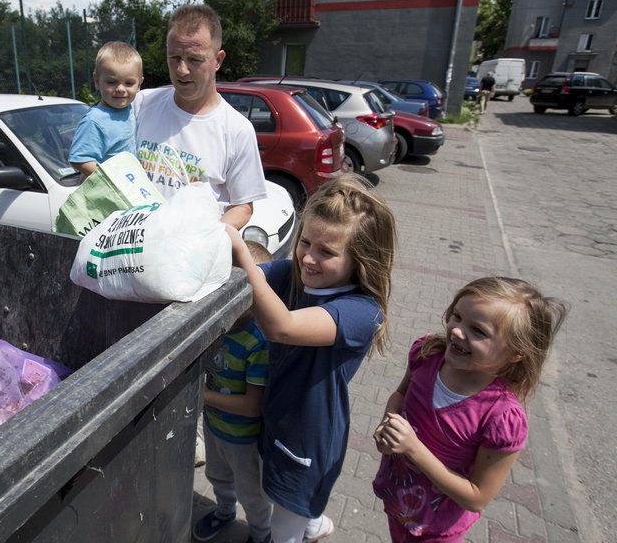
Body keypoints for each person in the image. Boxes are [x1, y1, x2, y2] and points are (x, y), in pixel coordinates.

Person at [226, 173, 397, 543]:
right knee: (285, 499)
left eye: (327, 251)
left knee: (284, 525)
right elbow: (247, 277)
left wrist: (241, 248)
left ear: (362, 259)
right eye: (305, 242)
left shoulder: (361, 311)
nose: (308, 257)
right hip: (276, 419)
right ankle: (316, 523)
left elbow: (282, 327)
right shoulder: (294, 276)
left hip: (308, 440)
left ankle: (308, 524)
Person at [372, 277, 568, 543]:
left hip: (437, 527)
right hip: (398, 500)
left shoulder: (501, 417)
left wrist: (413, 448)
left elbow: (477, 497)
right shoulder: (427, 354)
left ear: (516, 353)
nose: (456, 331)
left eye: (478, 330)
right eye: (457, 316)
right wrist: (388, 427)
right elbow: (400, 396)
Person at [133, 4, 267, 229]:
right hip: (133, 254)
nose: (182, 70)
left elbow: (243, 206)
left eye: (194, 59)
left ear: (218, 60)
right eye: (174, 57)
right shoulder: (142, 104)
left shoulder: (236, 129)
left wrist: (204, 241)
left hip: (190, 260)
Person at [194, 241, 274, 543]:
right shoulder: (219, 324)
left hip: (244, 439)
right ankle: (225, 511)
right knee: (218, 477)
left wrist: (200, 396)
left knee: (252, 495)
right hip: (215, 426)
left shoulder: (259, 342)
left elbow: (252, 407)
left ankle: (260, 533)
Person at [69, 41, 144, 177]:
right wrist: (113, 179)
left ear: (139, 84)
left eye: (129, 83)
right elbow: (80, 159)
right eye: (111, 82)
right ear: (97, 80)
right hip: (109, 192)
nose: (121, 89)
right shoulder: (94, 120)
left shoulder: (128, 108)